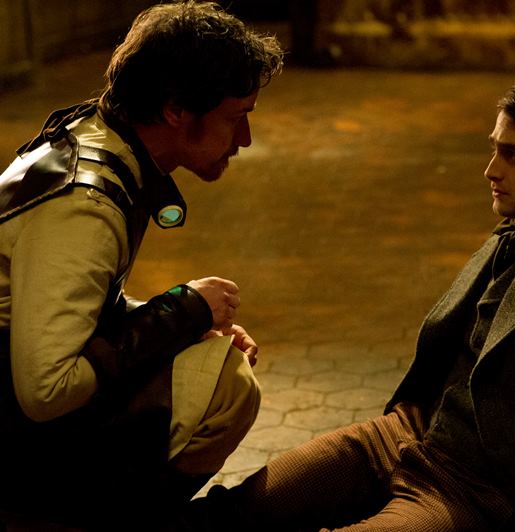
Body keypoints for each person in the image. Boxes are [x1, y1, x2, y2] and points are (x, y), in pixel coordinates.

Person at [177, 71, 515, 532]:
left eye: (513, 156)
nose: (490, 170)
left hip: (468, 487)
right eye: (495, 149)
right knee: (242, 510)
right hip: (404, 433)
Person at [0, 1, 283, 528]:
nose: (244, 139)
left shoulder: (99, 136)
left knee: (207, 352)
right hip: (15, 424)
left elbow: (65, 306)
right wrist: (180, 312)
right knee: (226, 386)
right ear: (176, 110)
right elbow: (45, 391)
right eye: (236, 117)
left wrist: (188, 323)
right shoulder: (85, 205)